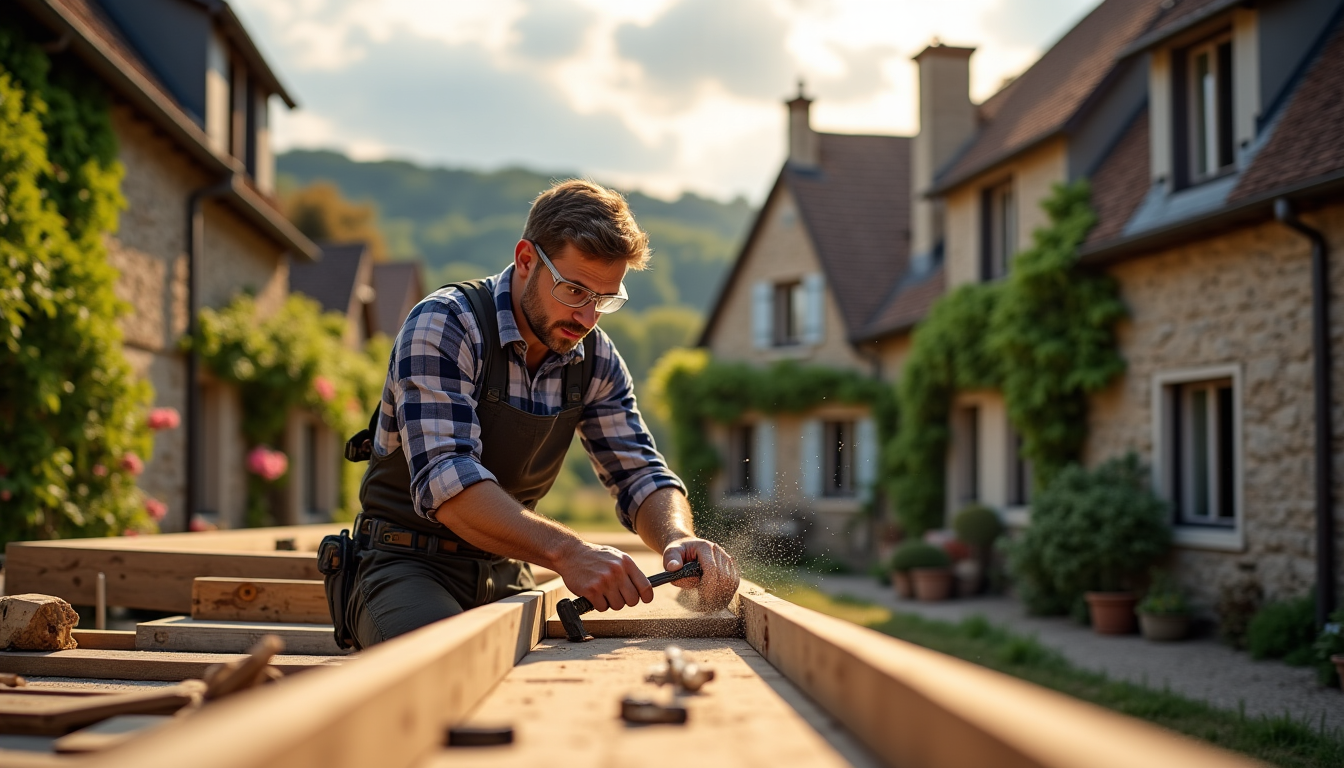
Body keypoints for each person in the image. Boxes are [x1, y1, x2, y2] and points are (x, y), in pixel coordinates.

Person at [337, 179, 739, 649]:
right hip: (405, 565)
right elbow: (449, 482)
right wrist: (570, 553)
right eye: (574, 290)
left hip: (507, 573)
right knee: (443, 672)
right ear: (526, 260)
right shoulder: (445, 323)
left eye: (604, 299)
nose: (588, 318)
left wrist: (674, 537)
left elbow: (639, 473)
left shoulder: (596, 358)